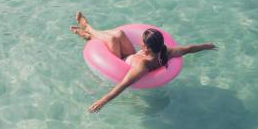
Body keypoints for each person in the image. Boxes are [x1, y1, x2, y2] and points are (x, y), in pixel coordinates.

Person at [71, 12, 217, 113]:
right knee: (120, 34)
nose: (140, 43)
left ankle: (88, 29)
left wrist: (102, 101)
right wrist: (206, 46)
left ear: (146, 48)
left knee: (112, 39)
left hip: (119, 61)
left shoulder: (143, 66)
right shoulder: (167, 52)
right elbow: (188, 49)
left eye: (141, 43)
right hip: (130, 55)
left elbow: (122, 85)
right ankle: (87, 33)